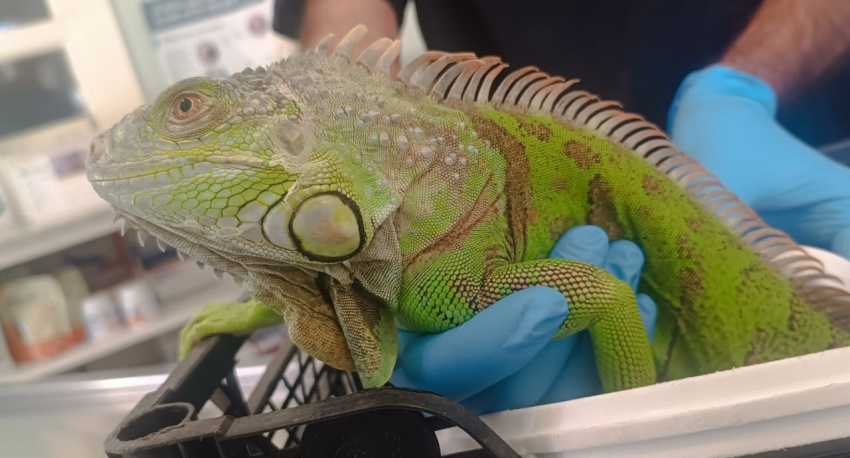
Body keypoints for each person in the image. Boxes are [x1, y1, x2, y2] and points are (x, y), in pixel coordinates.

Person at [273, 0, 850, 413]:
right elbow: (339, 35)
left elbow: (604, 297)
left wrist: (737, 92)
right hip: (508, 174)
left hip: (785, 147)